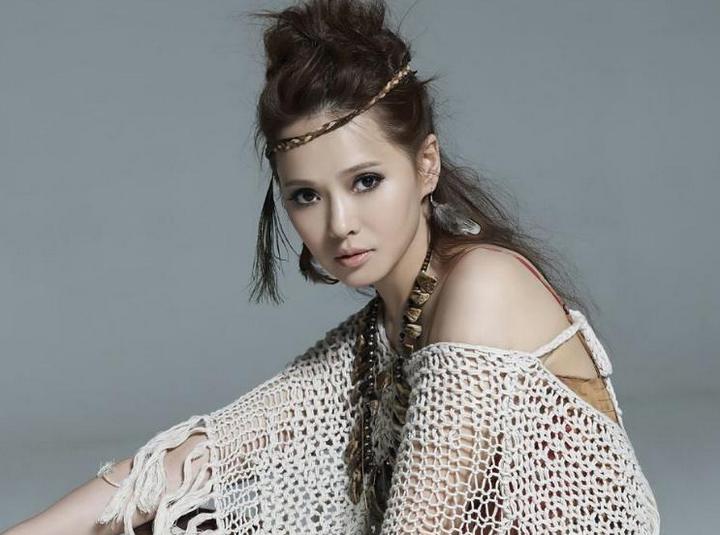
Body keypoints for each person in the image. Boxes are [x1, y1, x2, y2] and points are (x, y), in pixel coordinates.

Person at [2, 1, 660, 534]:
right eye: (306, 196)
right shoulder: (379, 336)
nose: (340, 223)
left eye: (366, 181)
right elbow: (196, 458)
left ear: (425, 165)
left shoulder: (483, 287)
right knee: (178, 515)